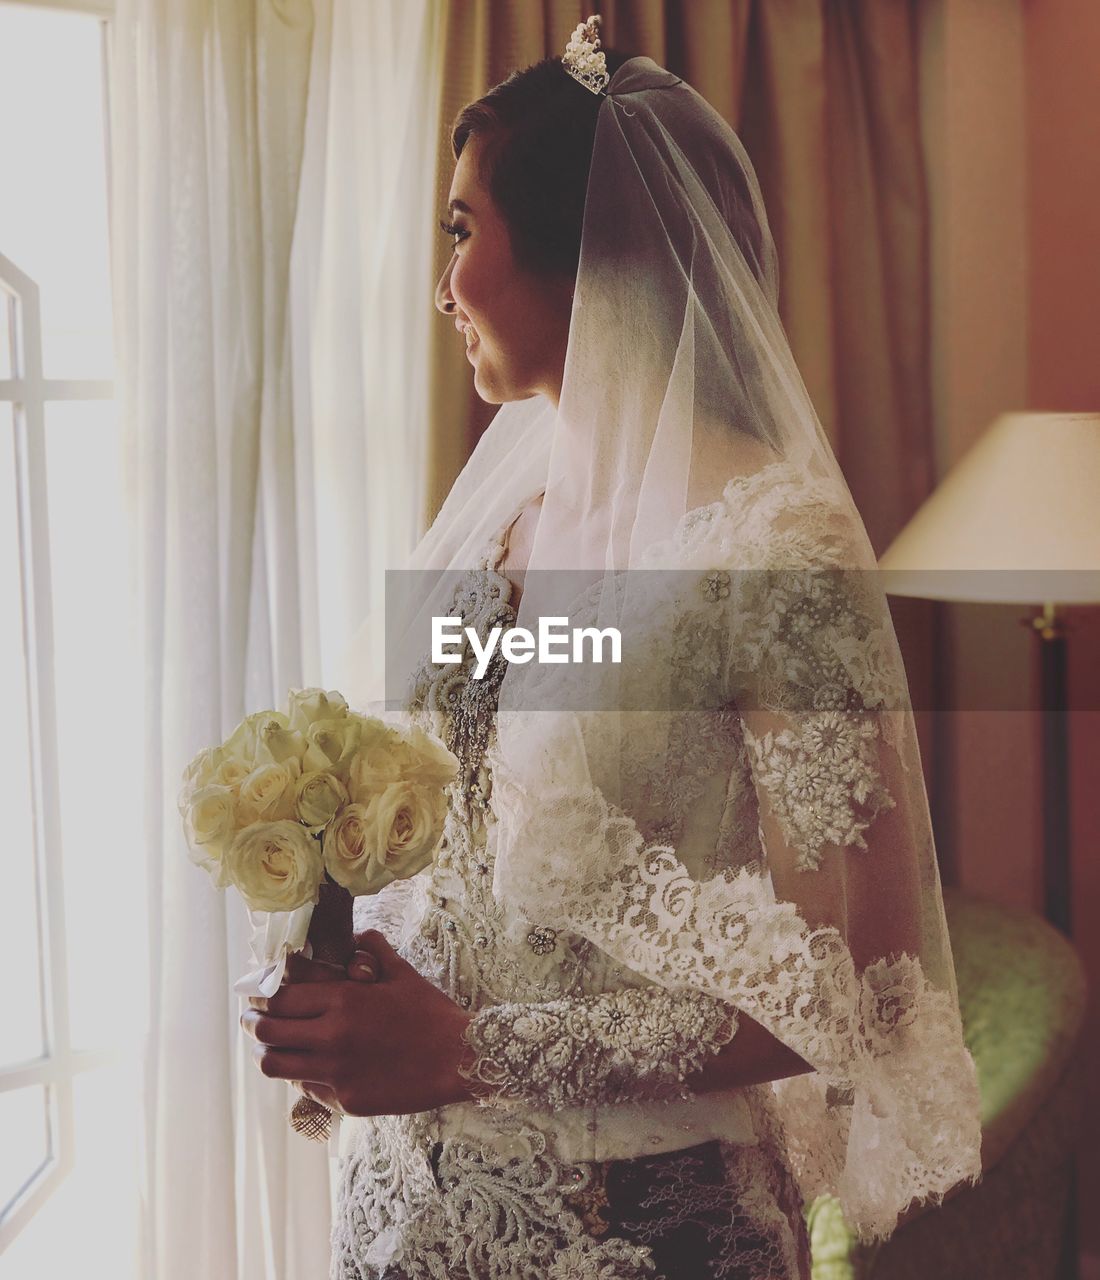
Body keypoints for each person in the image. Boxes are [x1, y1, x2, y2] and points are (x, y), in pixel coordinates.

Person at [241, 18, 984, 1279]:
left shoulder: (770, 544)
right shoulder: (493, 520)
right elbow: (473, 853)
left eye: (463, 231)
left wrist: (471, 1047)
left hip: (641, 1225)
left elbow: (853, 979)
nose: (444, 285)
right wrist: (362, 977)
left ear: (586, 249)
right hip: (411, 1215)